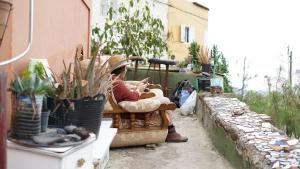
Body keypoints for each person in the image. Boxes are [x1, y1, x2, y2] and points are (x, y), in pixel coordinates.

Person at [108, 55, 188, 143]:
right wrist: (139, 90)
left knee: (158, 97)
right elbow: (133, 97)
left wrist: (135, 87)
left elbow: (125, 93)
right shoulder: (117, 82)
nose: (126, 70)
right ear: (123, 69)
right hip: (128, 112)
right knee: (165, 101)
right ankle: (171, 132)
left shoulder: (112, 79)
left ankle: (171, 131)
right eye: (125, 68)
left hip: (125, 108)